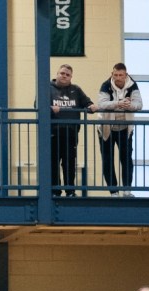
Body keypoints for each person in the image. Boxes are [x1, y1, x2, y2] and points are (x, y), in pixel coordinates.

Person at [94, 63, 142, 196]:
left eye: (121, 75)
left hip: (125, 128)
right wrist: (118, 103)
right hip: (106, 128)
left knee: (126, 159)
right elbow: (102, 104)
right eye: (115, 75)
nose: (118, 78)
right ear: (112, 74)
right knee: (107, 159)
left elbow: (139, 105)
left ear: (126, 75)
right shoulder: (106, 85)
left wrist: (128, 105)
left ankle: (127, 189)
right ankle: (113, 191)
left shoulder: (133, 85)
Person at [49, 63, 96, 196]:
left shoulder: (76, 89)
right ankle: (55, 191)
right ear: (57, 74)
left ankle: (70, 191)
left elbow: (87, 102)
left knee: (69, 162)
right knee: (53, 162)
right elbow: (38, 105)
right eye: (62, 73)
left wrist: (91, 105)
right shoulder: (47, 88)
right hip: (53, 132)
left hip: (71, 133)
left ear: (71, 77)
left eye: (67, 75)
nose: (64, 76)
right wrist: (50, 108)